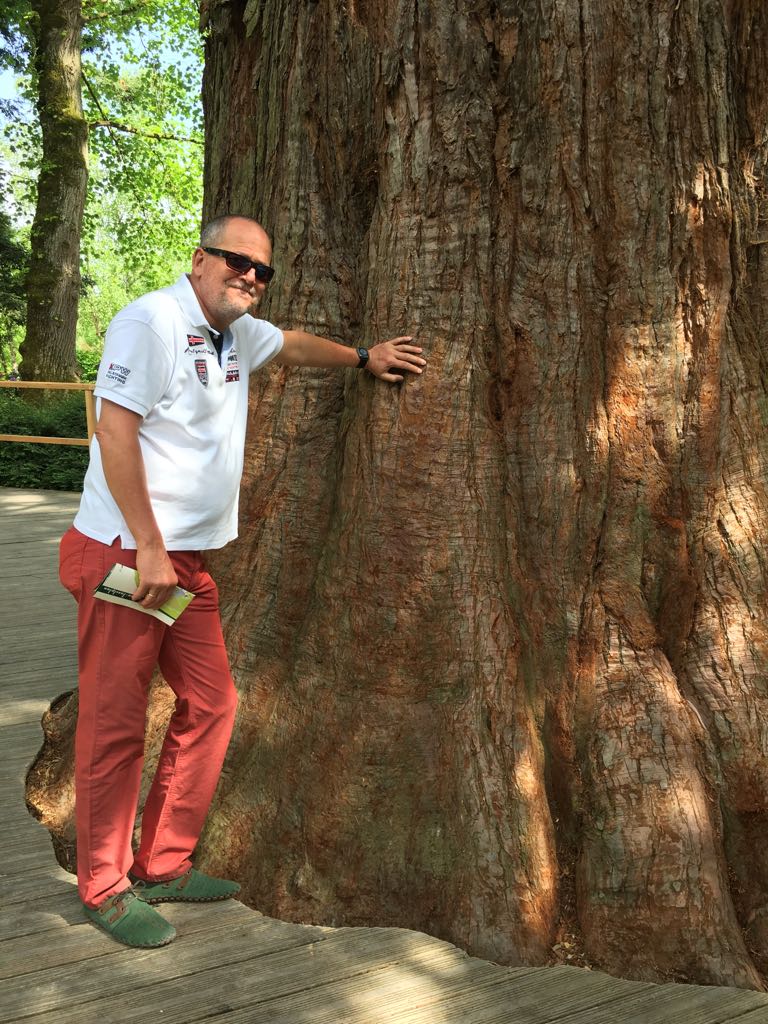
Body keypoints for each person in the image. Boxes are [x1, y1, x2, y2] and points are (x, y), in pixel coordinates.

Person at [59, 214, 426, 949]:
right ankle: (104, 887)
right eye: (237, 261)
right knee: (114, 724)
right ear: (200, 259)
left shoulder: (236, 334)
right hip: (127, 559)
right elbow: (115, 431)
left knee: (213, 702)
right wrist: (151, 547)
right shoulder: (152, 323)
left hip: (182, 566)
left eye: (263, 270)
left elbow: (291, 344)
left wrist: (363, 357)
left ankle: (162, 863)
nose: (251, 276)